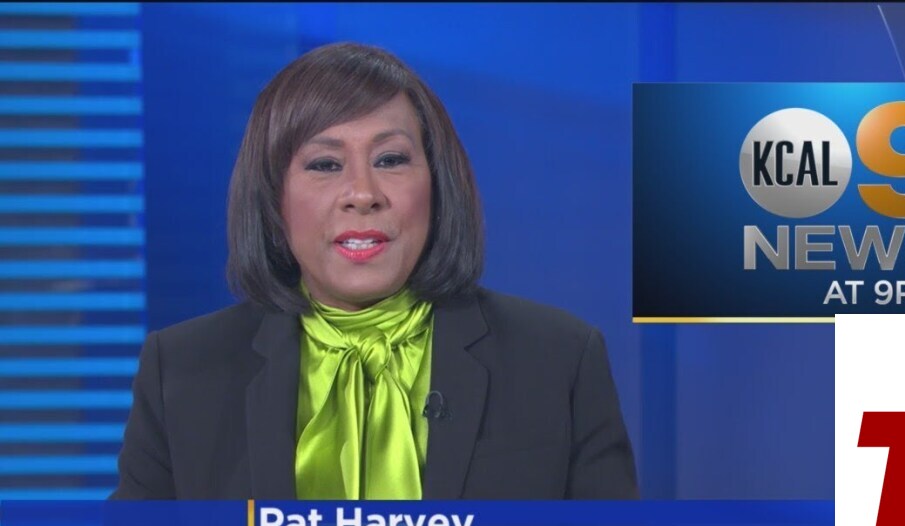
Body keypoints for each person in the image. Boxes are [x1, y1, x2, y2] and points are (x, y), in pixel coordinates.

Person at [111, 42, 639, 500]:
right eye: (325, 164)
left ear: (436, 184)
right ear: (273, 198)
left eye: (390, 160)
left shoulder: (559, 360)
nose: (363, 194)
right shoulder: (181, 373)